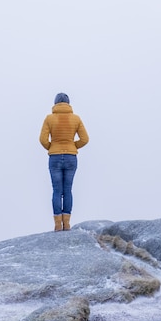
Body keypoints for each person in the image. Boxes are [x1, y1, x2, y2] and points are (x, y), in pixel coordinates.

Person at [39, 93, 89, 231]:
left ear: (55, 103)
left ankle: (57, 224)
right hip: (71, 157)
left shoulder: (49, 118)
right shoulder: (76, 119)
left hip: (54, 157)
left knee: (56, 190)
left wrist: (52, 147)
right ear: (68, 103)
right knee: (67, 190)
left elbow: (43, 140)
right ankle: (66, 224)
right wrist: (72, 146)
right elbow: (85, 139)